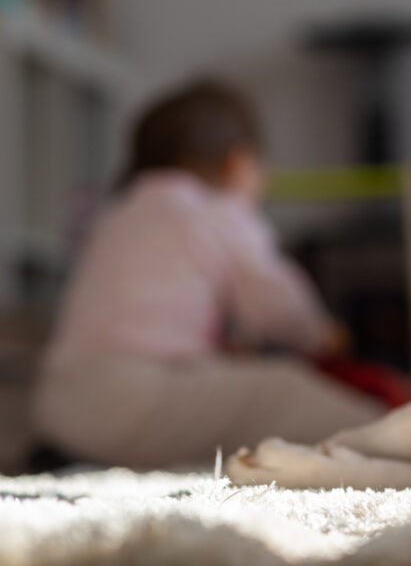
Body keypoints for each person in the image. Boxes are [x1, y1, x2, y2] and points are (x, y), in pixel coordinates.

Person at [33, 80, 389, 468]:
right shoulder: (216, 210)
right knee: (279, 388)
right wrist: (323, 334)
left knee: (219, 394)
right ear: (238, 164)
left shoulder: (116, 214)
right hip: (136, 399)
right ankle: (392, 440)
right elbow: (278, 306)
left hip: (59, 403)